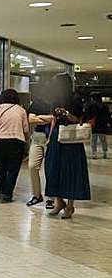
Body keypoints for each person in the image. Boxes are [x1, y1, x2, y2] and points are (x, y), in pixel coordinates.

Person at [44, 73, 91, 219]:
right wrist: (49, 137)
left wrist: (67, 113)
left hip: (71, 139)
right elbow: (53, 120)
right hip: (56, 137)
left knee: (70, 170)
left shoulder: (75, 99)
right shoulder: (55, 99)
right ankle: (59, 202)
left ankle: (70, 205)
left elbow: (78, 120)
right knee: (52, 169)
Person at [0, 89, 30, 203]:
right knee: (13, 169)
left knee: (1, 167)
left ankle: (1, 189)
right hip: (17, 141)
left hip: (1, 141)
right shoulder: (21, 110)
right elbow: (26, 129)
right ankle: (7, 194)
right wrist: (27, 140)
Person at [26, 86, 53, 206]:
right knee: (32, 166)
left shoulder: (58, 103)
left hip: (52, 137)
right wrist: (50, 119)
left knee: (50, 168)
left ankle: (52, 198)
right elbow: (31, 119)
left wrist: (40, 118)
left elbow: (56, 119)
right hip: (38, 136)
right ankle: (37, 195)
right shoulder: (38, 102)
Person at [84, 92, 110, 159]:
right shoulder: (104, 106)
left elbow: (87, 115)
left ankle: (94, 154)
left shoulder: (90, 105)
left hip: (93, 125)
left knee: (93, 140)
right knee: (103, 140)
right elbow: (107, 116)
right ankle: (105, 153)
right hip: (102, 125)